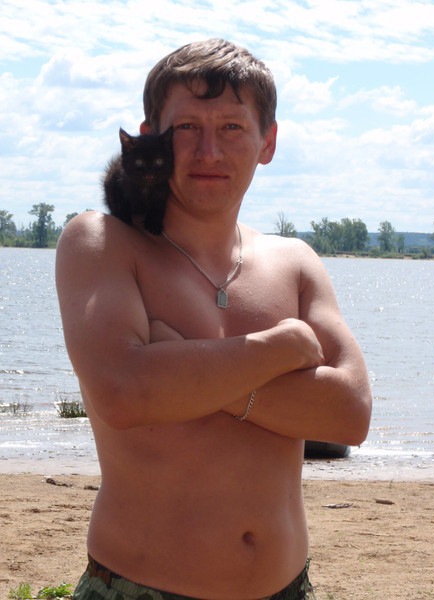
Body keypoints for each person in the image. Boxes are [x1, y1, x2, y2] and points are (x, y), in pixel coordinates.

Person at [56, 38, 372, 600]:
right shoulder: (104, 243)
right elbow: (124, 394)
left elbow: (349, 415)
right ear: (150, 134)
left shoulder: (295, 262)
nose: (208, 151)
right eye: (187, 128)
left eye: (231, 127)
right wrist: (282, 347)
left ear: (267, 141)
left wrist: (181, 364)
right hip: (139, 587)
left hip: (289, 588)